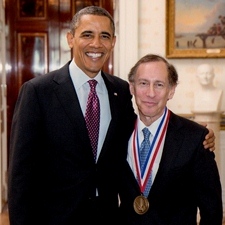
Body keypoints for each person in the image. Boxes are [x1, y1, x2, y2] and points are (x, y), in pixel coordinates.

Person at [7, 6, 216, 225]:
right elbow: (21, 176)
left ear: (113, 43)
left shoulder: (121, 91)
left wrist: (196, 134)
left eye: (104, 36)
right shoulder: (38, 92)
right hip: (55, 219)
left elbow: (143, 125)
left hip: (107, 218)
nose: (96, 44)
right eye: (87, 34)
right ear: (70, 39)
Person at [118, 54, 223, 225]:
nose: (150, 93)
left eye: (159, 85)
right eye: (143, 83)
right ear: (132, 88)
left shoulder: (196, 138)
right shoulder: (118, 132)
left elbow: (211, 209)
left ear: (171, 90)